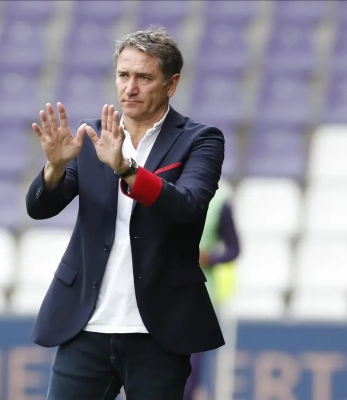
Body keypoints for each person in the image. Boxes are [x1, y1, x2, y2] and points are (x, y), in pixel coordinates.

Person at [26, 27, 226, 399]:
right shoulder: (92, 136)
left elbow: (188, 206)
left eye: (144, 78)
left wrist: (126, 169)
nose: (130, 88)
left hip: (159, 329)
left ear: (171, 84)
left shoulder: (200, 139)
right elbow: (40, 208)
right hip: (86, 324)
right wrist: (54, 167)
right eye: (123, 75)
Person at [184, 182, 241, 400]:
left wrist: (209, 257)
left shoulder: (219, 199)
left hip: (200, 293)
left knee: (190, 372)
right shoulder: (161, 181)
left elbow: (234, 249)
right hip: (159, 291)